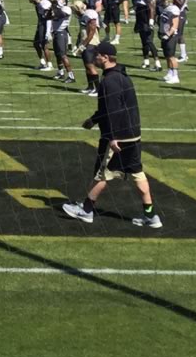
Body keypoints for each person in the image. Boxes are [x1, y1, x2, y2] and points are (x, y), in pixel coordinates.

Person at [61, 42, 163, 229]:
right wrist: (93, 120)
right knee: (137, 173)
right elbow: (111, 108)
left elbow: (112, 111)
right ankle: (151, 215)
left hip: (119, 137)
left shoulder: (109, 82)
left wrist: (112, 137)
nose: (94, 58)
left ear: (105, 58)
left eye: (97, 55)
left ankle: (87, 210)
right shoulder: (122, 76)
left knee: (103, 173)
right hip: (133, 134)